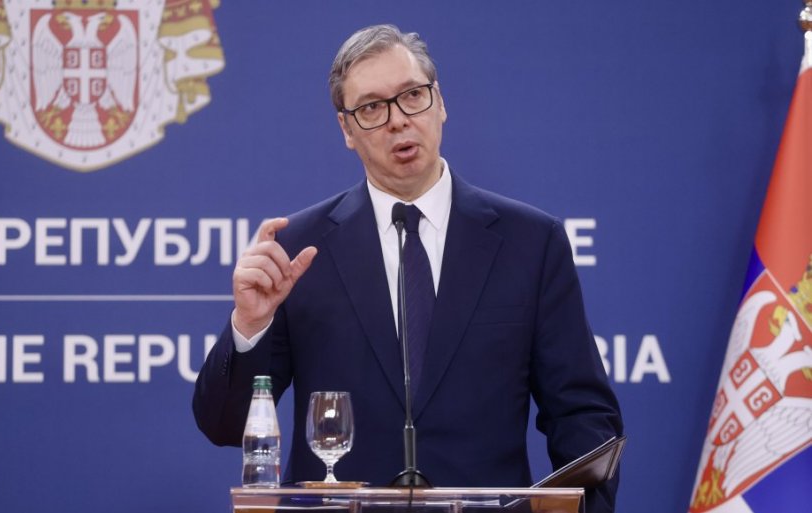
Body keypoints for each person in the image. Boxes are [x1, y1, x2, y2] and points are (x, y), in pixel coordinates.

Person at [193, 24, 623, 512]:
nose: (398, 120)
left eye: (412, 96)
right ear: (347, 130)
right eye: (372, 108)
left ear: (440, 102)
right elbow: (224, 425)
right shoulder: (300, 252)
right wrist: (250, 325)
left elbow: (584, 416)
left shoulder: (531, 243)